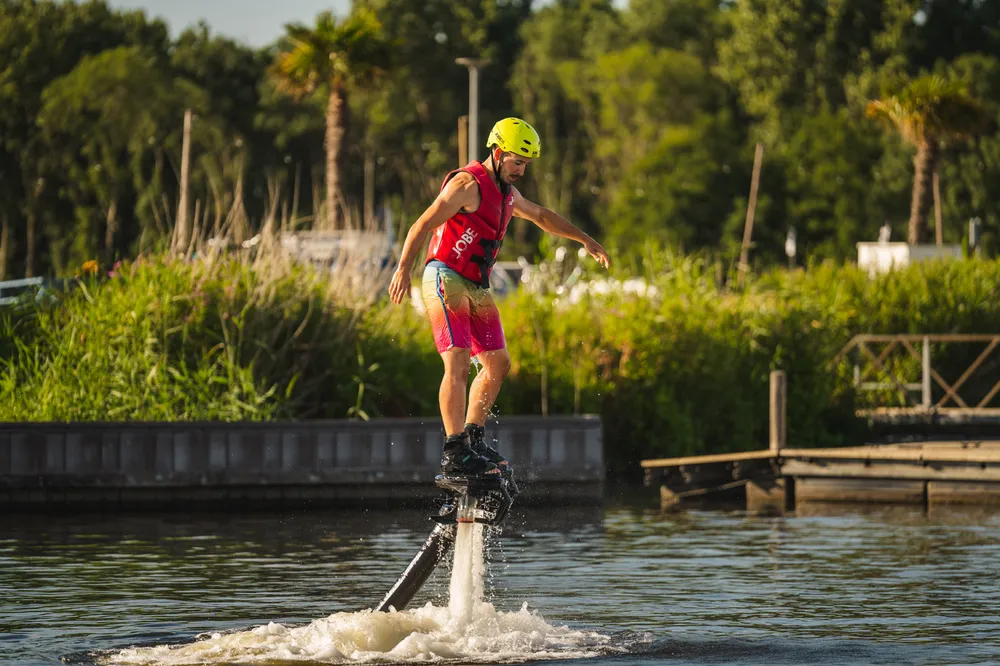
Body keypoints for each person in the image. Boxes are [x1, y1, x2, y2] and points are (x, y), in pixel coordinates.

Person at [388, 117, 610, 477]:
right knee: (458, 360)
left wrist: (584, 238)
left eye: (526, 164)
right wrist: (402, 269)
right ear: (498, 152)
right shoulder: (465, 185)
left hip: (476, 285)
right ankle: (454, 450)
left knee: (498, 363)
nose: (522, 170)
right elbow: (420, 225)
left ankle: (473, 439)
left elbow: (541, 216)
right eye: (517, 162)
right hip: (444, 275)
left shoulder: (508, 193)